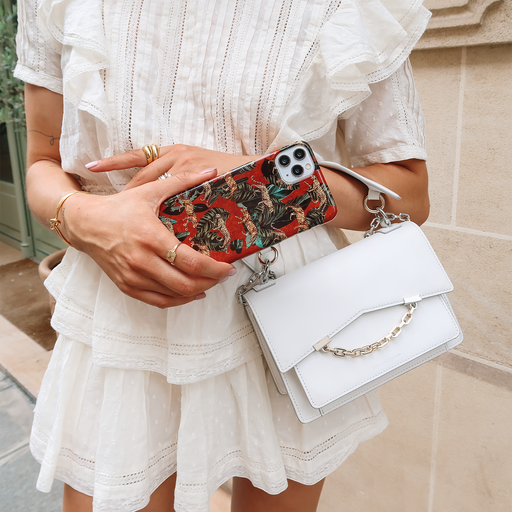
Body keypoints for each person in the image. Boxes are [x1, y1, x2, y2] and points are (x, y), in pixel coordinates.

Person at [15, 0, 431, 510]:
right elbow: (43, 161)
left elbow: (408, 194)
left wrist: (260, 178)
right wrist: (83, 218)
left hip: (289, 312)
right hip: (122, 311)